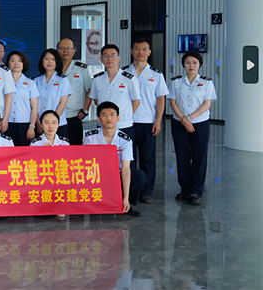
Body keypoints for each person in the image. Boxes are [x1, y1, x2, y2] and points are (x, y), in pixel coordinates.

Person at [167, 51, 217, 206]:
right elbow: (173, 103)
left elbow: (207, 104)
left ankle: (196, 191)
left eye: (195, 62)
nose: (191, 65)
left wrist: (189, 119)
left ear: (200, 64)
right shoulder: (176, 82)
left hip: (200, 123)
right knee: (181, 156)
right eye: (188, 62)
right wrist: (184, 119)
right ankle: (185, 190)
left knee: (199, 156)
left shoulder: (207, 83)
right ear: (183, 64)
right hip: (179, 124)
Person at [123, 38, 169, 204]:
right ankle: (131, 190)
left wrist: (158, 120)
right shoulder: (124, 73)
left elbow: (161, 99)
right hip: (127, 122)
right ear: (131, 51)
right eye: (137, 49)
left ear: (149, 52)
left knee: (148, 158)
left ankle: (146, 191)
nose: (140, 52)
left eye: (144, 49)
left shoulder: (156, 75)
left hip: (148, 121)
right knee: (128, 159)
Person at [83, 102, 145, 217]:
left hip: (117, 174)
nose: (108, 118)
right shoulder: (90, 137)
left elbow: (126, 169)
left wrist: (125, 197)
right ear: (99, 119)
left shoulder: (125, 140)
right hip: (98, 176)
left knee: (139, 176)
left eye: (112, 114)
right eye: (104, 115)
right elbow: (86, 165)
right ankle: (96, 203)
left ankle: (126, 204)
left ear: (118, 118)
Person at [84, 44, 140, 140]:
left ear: (118, 58)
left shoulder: (129, 79)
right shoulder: (97, 79)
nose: (109, 58)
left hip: (123, 125)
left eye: (113, 55)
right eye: (106, 56)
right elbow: (96, 100)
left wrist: (124, 115)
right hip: (102, 125)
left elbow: (136, 101)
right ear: (101, 59)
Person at [57, 38, 92, 146]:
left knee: (75, 148)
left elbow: (89, 90)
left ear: (74, 51)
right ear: (57, 50)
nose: (65, 51)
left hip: (74, 116)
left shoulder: (82, 69)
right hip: (55, 117)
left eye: (68, 48)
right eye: (61, 48)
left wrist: (85, 111)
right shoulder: (52, 68)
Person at [33, 48, 72, 139]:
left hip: (58, 125)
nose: (49, 62)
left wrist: (52, 122)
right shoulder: (35, 81)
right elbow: (33, 105)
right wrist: (38, 123)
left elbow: (62, 104)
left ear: (57, 62)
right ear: (42, 61)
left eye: (53, 59)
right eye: (46, 59)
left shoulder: (63, 80)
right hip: (40, 125)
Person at [5, 51, 39, 146]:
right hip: (6, 123)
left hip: (24, 124)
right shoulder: (3, 81)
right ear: (8, 63)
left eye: (19, 61)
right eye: (13, 60)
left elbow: (34, 107)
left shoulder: (30, 83)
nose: (16, 63)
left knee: (23, 152)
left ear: (24, 64)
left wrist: (32, 126)